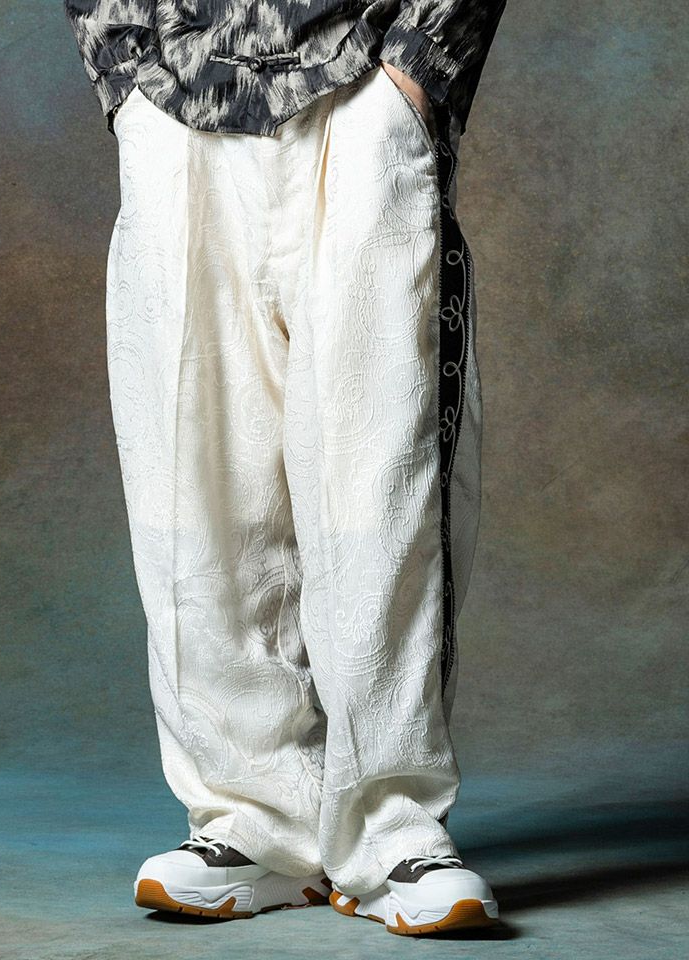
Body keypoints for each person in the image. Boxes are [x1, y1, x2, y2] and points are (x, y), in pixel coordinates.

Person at [65, 0, 507, 937]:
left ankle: (393, 826)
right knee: (196, 482)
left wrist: (420, 67)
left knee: (380, 474)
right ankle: (250, 822)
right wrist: (123, 70)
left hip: (366, 75)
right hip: (172, 87)